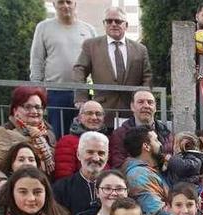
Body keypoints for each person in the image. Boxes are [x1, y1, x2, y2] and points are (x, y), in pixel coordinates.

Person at [29, 0, 96, 135]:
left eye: (69, 2)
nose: (65, 5)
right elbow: (37, 60)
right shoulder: (43, 28)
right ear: (54, 4)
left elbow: (96, 62)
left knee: (85, 135)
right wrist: (37, 91)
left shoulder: (89, 30)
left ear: (75, 3)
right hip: (55, 92)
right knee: (58, 136)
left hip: (83, 93)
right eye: (61, 2)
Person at [72, 7, 152, 116]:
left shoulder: (140, 49)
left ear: (126, 25)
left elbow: (147, 76)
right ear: (104, 24)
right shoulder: (91, 45)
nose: (113, 24)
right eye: (109, 21)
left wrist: (143, 100)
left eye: (118, 21)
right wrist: (81, 97)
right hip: (102, 110)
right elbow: (79, 69)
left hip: (131, 111)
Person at [0, 86, 56, 189]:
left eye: (38, 107)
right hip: (15, 189)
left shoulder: (47, 133)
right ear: (15, 110)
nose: (34, 111)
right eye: (27, 107)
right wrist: (1, 182)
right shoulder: (3, 132)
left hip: (44, 190)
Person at [108, 90, 172, 169]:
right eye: (140, 102)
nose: (146, 106)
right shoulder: (120, 134)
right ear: (132, 107)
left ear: (155, 107)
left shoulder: (166, 133)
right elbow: (118, 165)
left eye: (150, 102)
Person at [52, 131, 108, 215]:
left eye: (101, 153)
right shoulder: (62, 188)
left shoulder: (115, 187)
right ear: (78, 155)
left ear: (107, 157)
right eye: (90, 152)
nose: (96, 158)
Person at [122, 125, 170, 215]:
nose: (160, 144)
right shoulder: (139, 175)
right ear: (146, 146)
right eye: (156, 140)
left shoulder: (150, 170)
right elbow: (158, 214)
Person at [53, 101, 112, 180]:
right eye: (89, 113)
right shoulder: (67, 142)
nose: (94, 117)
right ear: (80, 117)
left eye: (98, 114)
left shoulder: (108, 140)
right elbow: (64, 176)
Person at [0, 142, 43, 209]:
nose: (27, 163)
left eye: (31, 160)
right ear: (11, 164)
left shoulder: (43, 186)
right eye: (21, 160)